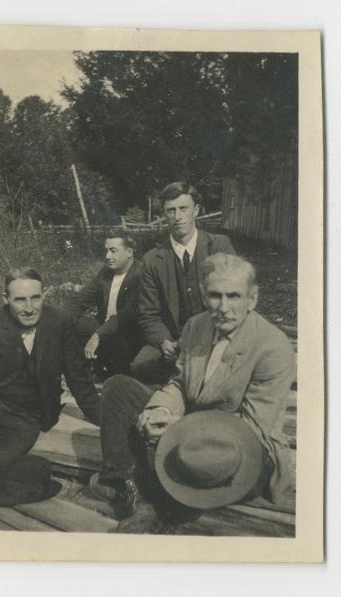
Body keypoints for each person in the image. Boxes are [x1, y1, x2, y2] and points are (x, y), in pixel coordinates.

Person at [89, 253, 295, 526]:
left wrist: (178, 428)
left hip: (242, 450)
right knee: (118, 388)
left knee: (180, 455)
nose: (223, 307)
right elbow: (179, 383)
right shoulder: (196, 326)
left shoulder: (273, 346)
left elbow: (251, 429)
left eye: (233, 296)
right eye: (214, 296)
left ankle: (150, 491)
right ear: (203, 296)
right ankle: (128, 481)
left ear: (252, 299)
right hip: (186, 429)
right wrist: (158, 410)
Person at [0, 266, 101, 478]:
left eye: (35, 298)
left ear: (44, 294)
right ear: (6, 299)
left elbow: (78, 379)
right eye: (20, 300)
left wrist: (104, 420)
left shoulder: (60, 322)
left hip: (29, 414)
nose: (29, 308)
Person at [131, 181, 235, 384]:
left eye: (183, 208)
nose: (177, 217)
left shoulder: (219, 246)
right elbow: (149, 314)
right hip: (172, 340)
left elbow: (232, 301)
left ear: (195, 211)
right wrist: (163, 341)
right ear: (164, 215)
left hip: (215, 335)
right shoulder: (153, 259)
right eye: (171, 211)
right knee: (140, 366)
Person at [70, 231, 143, 378]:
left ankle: (105, 369)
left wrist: (97, 335)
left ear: (129, 252)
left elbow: (127, 315)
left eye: (113, 251)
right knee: (68, 321)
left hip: (129, 335)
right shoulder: (106, 273)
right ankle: (79, 370)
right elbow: (79, 300)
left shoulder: (141, 274)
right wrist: (60, 323)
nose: (107, 256)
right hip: (104, 330)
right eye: (106, 250)